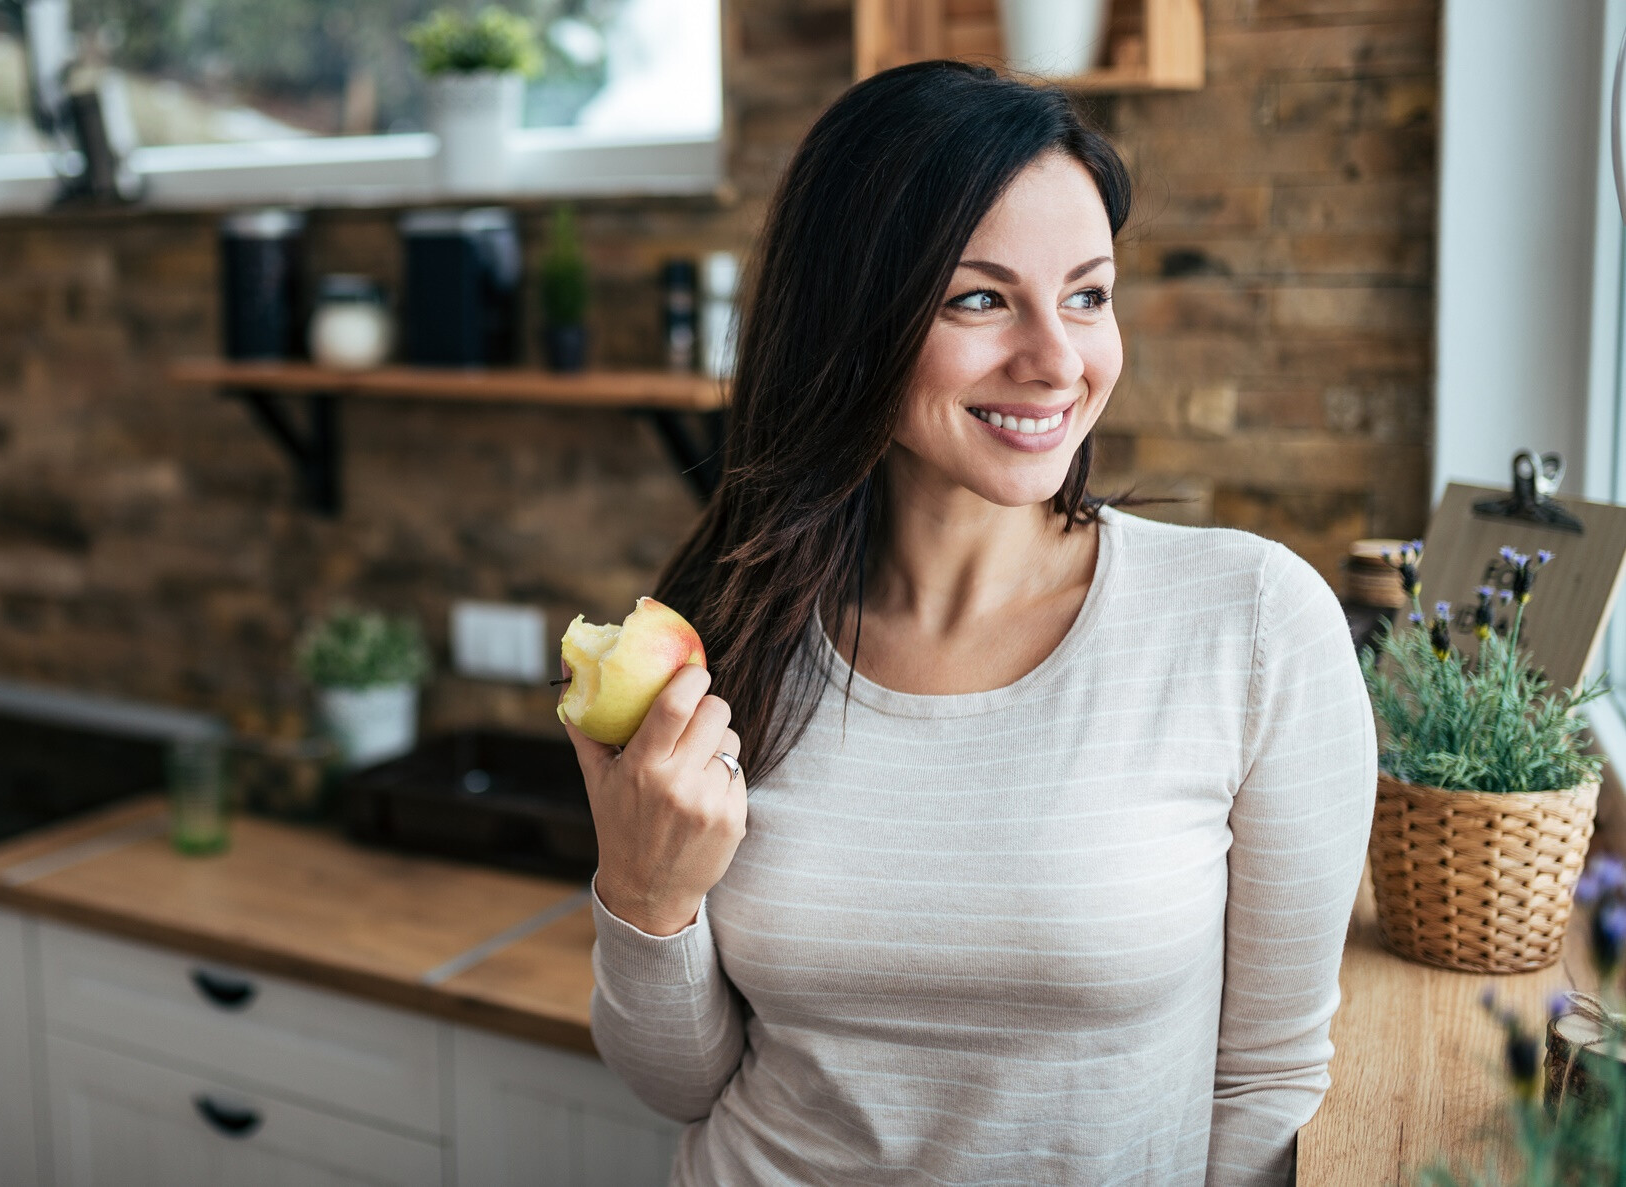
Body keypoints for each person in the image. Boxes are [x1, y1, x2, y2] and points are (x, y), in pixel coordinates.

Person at [563, 61, 1376, 1186]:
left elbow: (1266, 1085)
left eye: (1087, 294)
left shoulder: (1249, 624)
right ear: (853, 319)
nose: (1057, 360)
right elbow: (681, 1084)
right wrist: (642, 897)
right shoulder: (727, 632)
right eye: (979, 298)